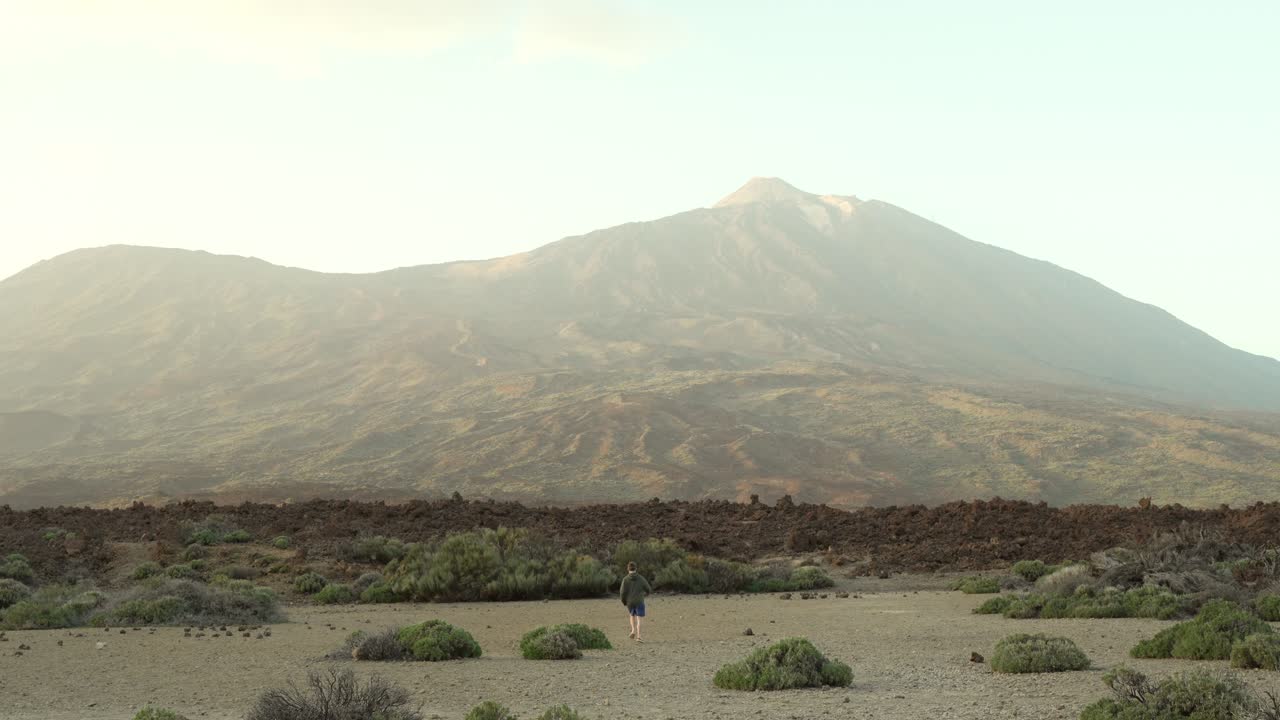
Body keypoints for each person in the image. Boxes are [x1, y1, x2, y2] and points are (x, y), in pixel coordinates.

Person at [619, 561, 652, 641]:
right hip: (639, 601)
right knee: (639, 618)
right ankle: (639, 636)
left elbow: (622, 592)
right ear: (636, 568)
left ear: (628, 569)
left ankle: (633, 630)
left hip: (629, 602)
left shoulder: (625, 579)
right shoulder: (641, 578)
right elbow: (648, 589)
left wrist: (624, 601)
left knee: (632, 615)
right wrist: (645, 595)